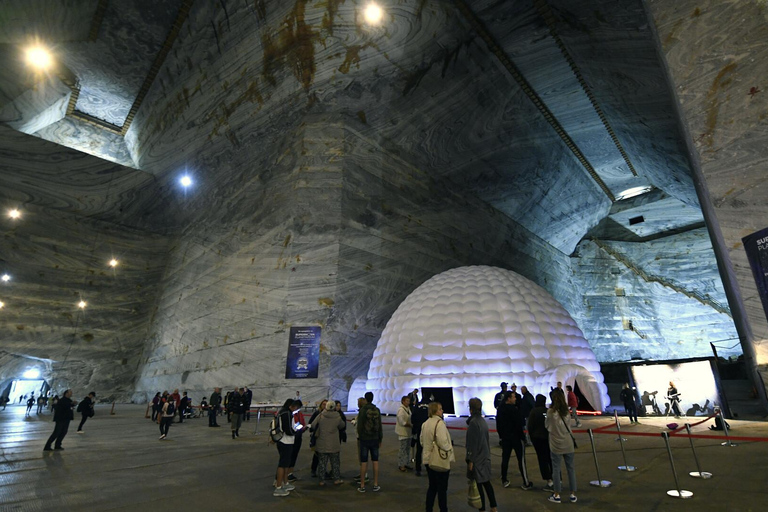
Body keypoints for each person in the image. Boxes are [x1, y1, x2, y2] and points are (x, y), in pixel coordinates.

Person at [420, 401, 454, 512]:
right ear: (435, 411)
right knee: (442, 489)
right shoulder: (440, 424)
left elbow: (421, 441)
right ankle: (443, 509)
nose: (442, 411)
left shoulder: (425, 423)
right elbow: (442, 441)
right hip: (439, 459)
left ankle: (428, 509)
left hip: (428, 459)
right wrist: (449, 448)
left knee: (432, 487)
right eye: (440, 409)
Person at [545, 390, 577, 503]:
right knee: (571, 469)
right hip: (568, 442)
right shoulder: (566, 412)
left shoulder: (550, 412)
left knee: (556, 469)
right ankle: (573, 494)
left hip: (555, 444)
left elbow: (547, 426)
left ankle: (557, 494)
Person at [466, 398, 497, 512]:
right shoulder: (482, 421)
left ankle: (482, 509)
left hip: (478, 460)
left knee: (479, 486)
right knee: (486, 483)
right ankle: (493, 507)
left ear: (470, 409)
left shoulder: (473, 423)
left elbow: (472, 444)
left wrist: (470, 460)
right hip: (485, 456)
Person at [496, 391, 532, 490]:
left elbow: (498, 424)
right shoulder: (514, 410)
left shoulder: (500, 409)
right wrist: (523, 438)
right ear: (509, 398)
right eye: (514, 397)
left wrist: (501, 436)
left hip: (506, 439)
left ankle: (504, 480)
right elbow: (519, 425)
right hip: (516, 438)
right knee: (521, 460)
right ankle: (526, 482)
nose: (515, 398)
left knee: (505, 459)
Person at [312, 401, 346, 486]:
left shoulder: (321, 415)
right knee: (335, 462)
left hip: (322, 442)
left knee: (322, 462)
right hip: (334, 443)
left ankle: (321, 480)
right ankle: (336, 479)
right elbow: (342, 425)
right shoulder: (337, 416)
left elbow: (313, 425)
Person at [356, 391, 382, 493]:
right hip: (375, 438)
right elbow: (379, 426)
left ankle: (362, 485)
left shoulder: (363, 410)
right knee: (375, 461)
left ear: (365, 399)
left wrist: (361, 437)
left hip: (364, 439)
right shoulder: (377, 410)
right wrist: (380, 438)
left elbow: (360, 426)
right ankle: (375, 484)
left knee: (363, 462)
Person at [527, 394, 553, 491]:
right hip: (548, 438)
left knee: (542, 460)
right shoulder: (547, 411)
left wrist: (532, 438)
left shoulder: (534, 411)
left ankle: (549, 481)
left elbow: (530, 426)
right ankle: (557, 479)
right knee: (551, 458)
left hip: (538, 439)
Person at [273, 399, 299, 497]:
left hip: (284, 441)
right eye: (295, 406)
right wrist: (296, 432)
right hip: (285, 441)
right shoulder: (286, 413)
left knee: (286, 464)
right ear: (290, 405)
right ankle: (278, 487)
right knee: (283, 464)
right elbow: (288, 430)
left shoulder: (282, 412)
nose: (296, 408)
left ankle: (285, 483)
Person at [287, 400, 306, 482]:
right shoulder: (288, 414)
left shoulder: (299, 414)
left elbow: (302, 422)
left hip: (298, 436)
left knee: (294, 455)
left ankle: (290, 474)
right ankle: (282, 478)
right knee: (287, 457)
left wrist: (303, 427)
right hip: (290, 438)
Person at [308, 399, 328, 478]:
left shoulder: (329, 414)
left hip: (326, 437)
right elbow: (310, 423)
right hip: (317, 437)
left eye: (326, 404)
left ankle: (323, 470)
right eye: (323, 404)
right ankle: (313, 470)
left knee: (325, 455)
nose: (325, 406)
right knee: (317, 454)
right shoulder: (317, 413)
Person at [411, 399, 429, 477]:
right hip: (429, 431)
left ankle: (418, 468)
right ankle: (429, 467)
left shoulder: (417, 405)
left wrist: (414, 429)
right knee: (429, 450)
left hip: (419, 430)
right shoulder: (431, 405)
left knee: (419, 450)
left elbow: (413, 418)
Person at [396, 395, 413, 471]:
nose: (408, 402)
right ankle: (401, 464)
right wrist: (410, 425)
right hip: (403, 432)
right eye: (406, 401)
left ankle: (406, 463)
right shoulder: (401, 410)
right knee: (402, 449)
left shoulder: (408, 409)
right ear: (403, 401)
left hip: (408, 432)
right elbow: (401, 421)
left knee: (407, 449)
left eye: (409, 401)